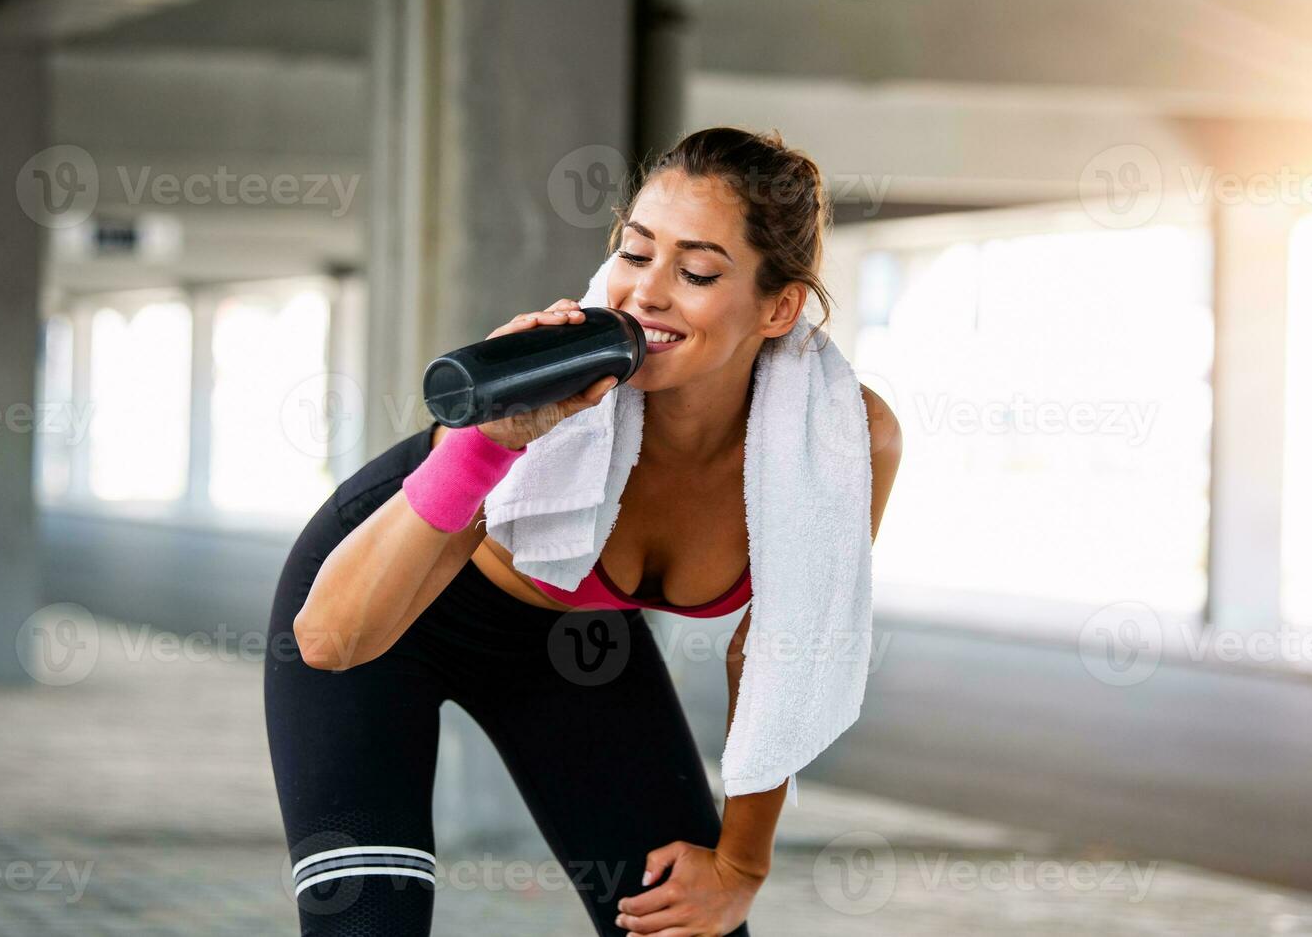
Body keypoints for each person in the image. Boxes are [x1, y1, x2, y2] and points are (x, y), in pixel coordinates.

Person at [264, 126, 903, 936]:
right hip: (388, 585)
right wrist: (489, 441)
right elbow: (329, 643)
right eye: (635, 255)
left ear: (778, 308)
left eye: (698, 270)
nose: (646, 295)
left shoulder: (839, 440)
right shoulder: (558, 390)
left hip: (571, 644)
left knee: (683, 929)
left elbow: (783, 642)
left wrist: (741, 865)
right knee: (366, 926)